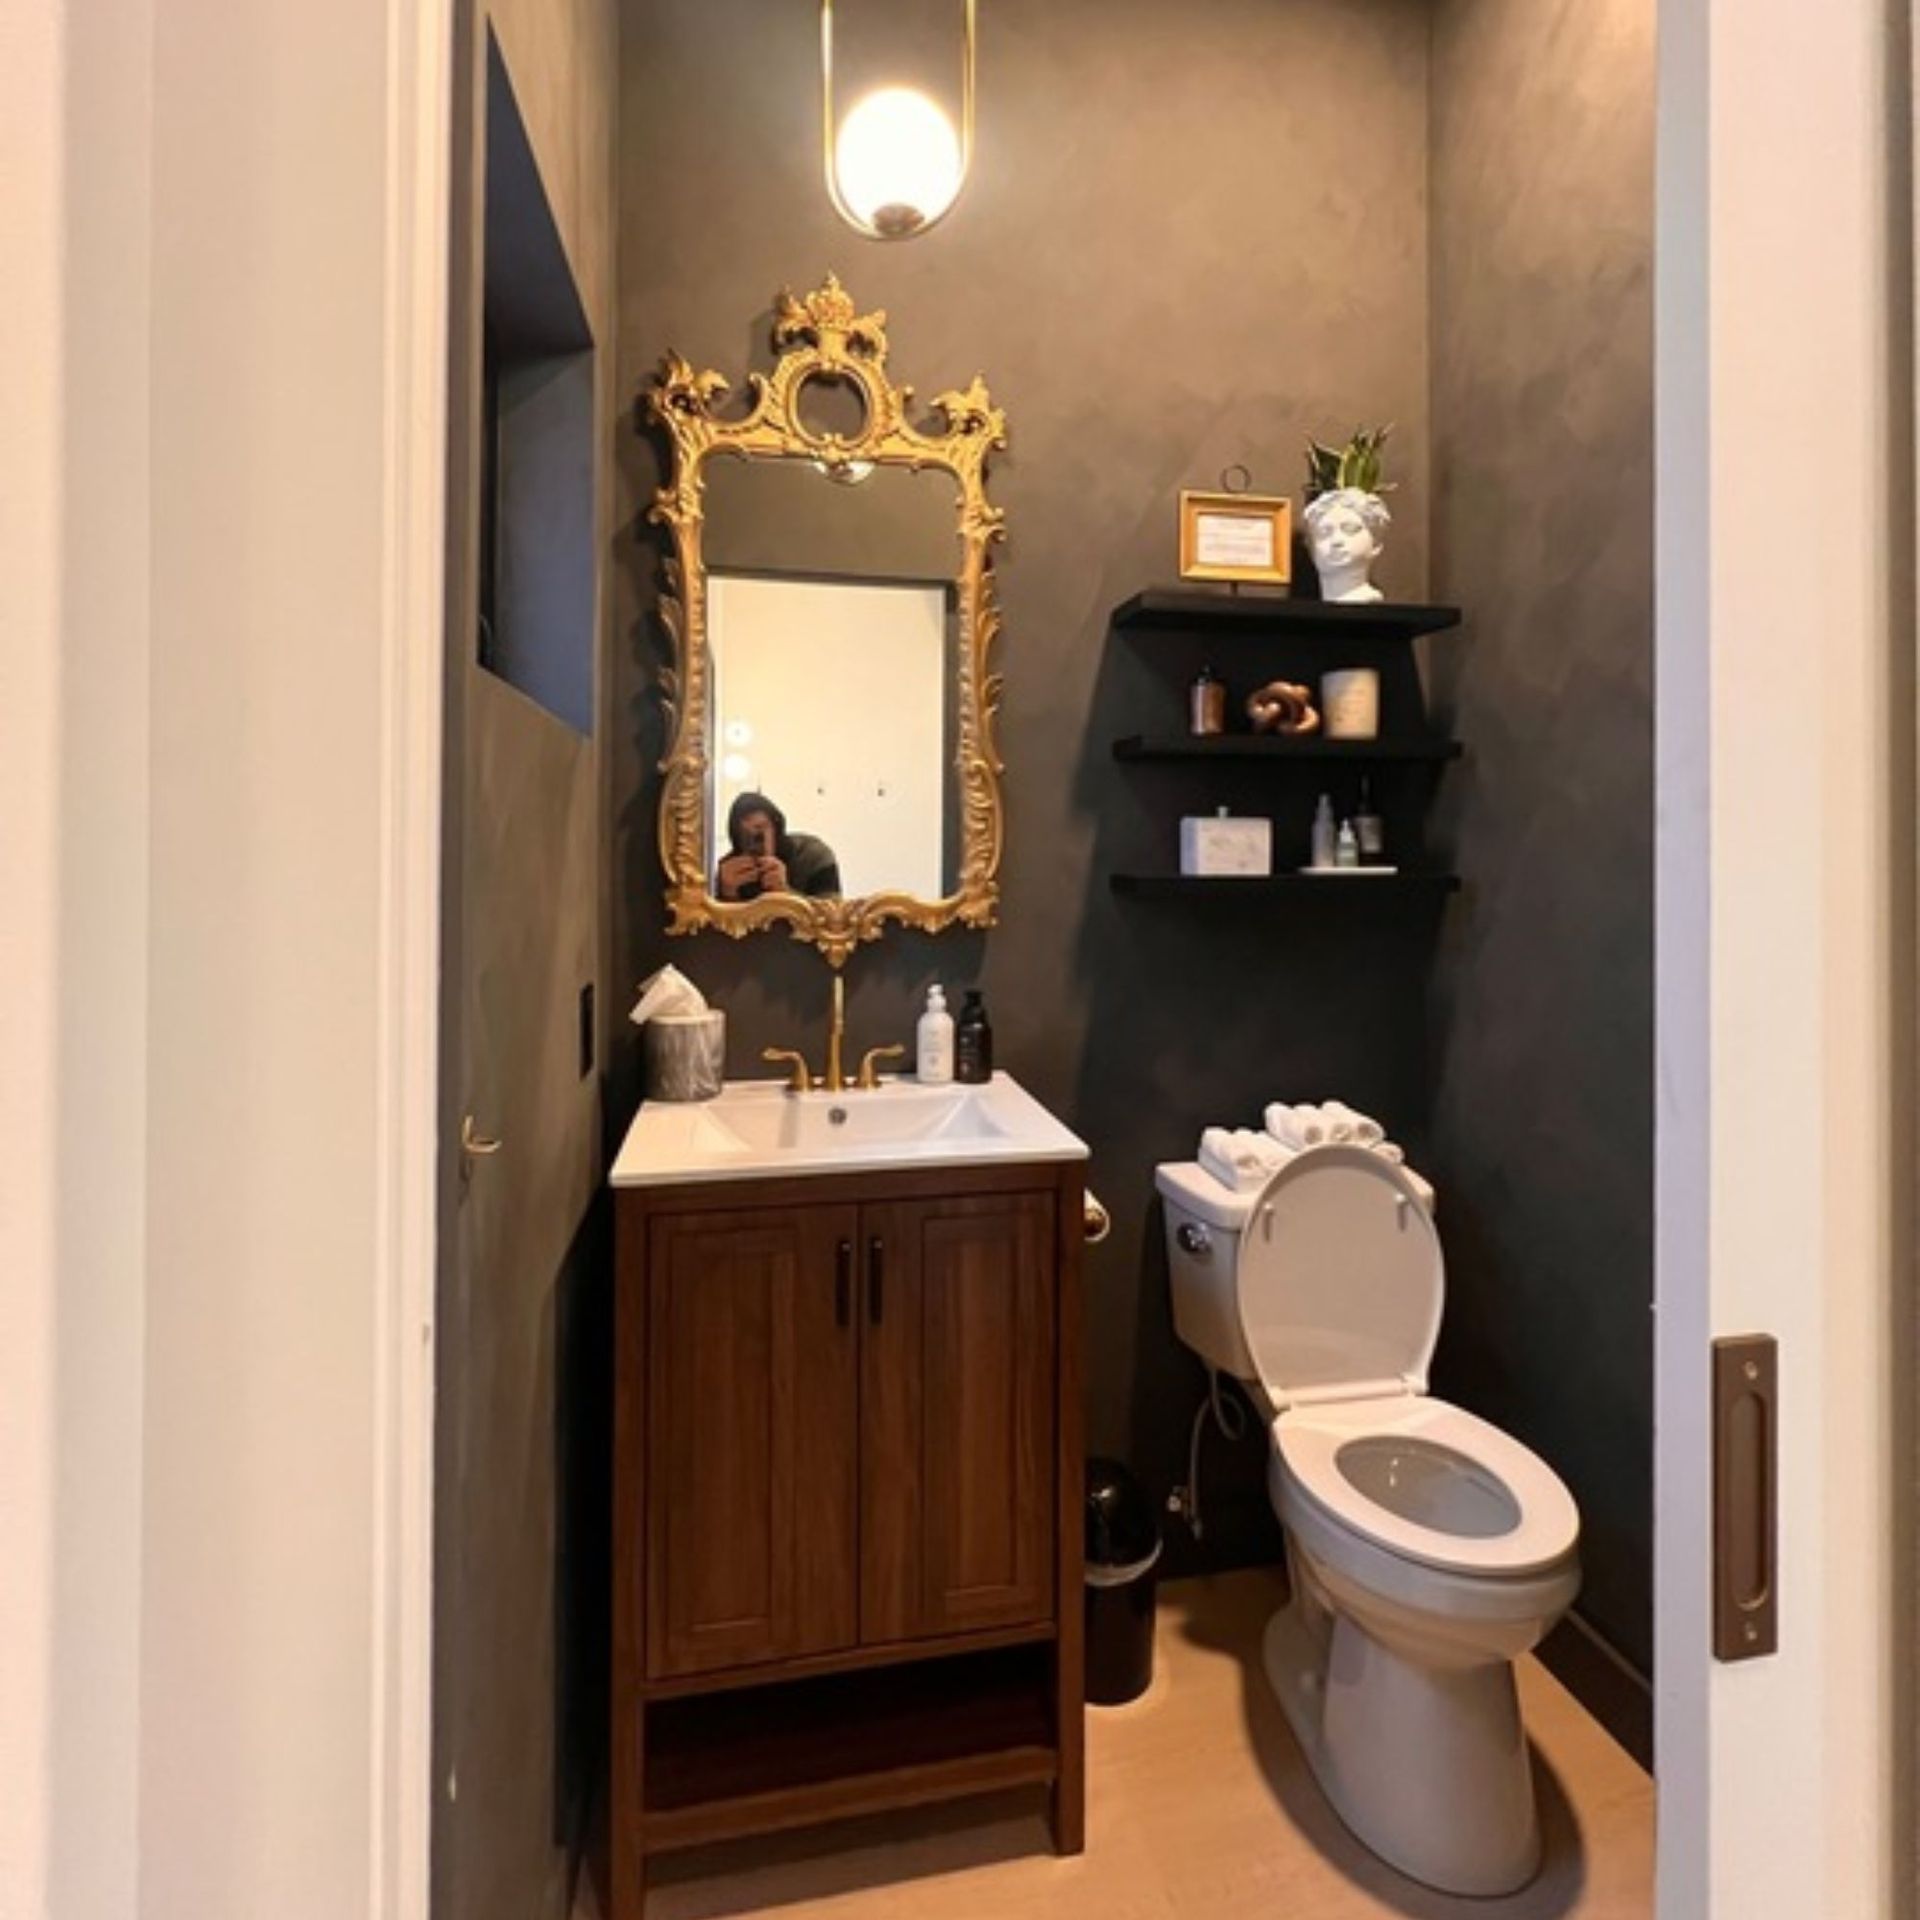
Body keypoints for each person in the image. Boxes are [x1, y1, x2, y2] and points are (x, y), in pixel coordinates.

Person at [715, 791, 842, 900]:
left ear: (777, 828)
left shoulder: (813, 856)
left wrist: (785, 893)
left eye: (759, 836)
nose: (753, 847)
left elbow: (833, 920)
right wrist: (727, 895)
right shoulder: (728, 871)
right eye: (743, 837)